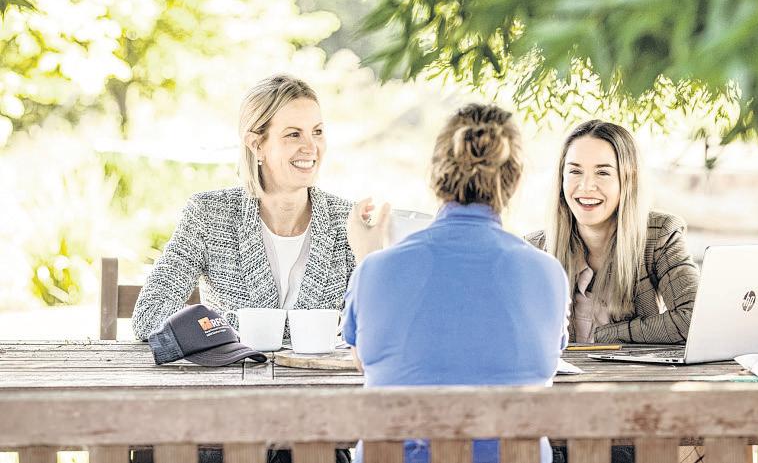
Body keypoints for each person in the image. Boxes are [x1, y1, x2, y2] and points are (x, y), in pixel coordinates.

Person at [344, 103, 570, 463]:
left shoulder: (375, 269)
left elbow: (365, 361)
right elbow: (544, 361)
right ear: (514, 180)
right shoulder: (547, 273)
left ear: (436, 174)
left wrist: (367, 256)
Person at [132, 74, 355, 343]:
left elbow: (382, 324)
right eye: (293, 134)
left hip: (320, 372)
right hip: (234, 371)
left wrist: (371, 254)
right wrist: (233, 328)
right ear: (257, 145)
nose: (311, 147)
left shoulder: (348, 221)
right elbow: (149, 315)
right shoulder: (208, 215)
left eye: (317, 132)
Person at [527, 119, 699, 345]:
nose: (586, 186)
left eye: (602, 173)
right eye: (575, 171)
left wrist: (606, 336)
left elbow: (694, 318)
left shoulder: (660, 235)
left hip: (632, 369)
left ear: (628, 179)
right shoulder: (534, 249)